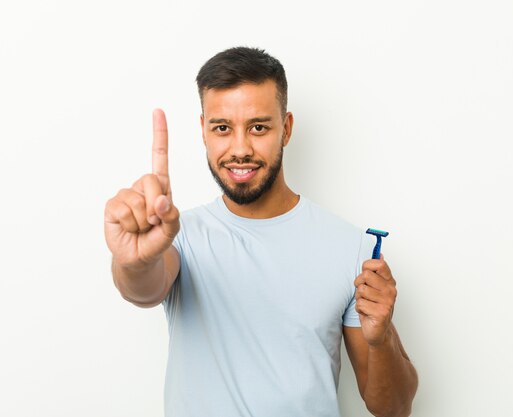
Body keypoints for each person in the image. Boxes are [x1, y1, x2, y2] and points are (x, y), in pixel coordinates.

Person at [104, 46, 418, 417]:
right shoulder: (179, 237)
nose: (240, 148)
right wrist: (134, 261)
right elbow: (142, 288)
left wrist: (381, 340)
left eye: (258, 127)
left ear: (285, 129)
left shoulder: (353, 248)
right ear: (203, 132)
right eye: (222, 128)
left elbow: (393, 409)